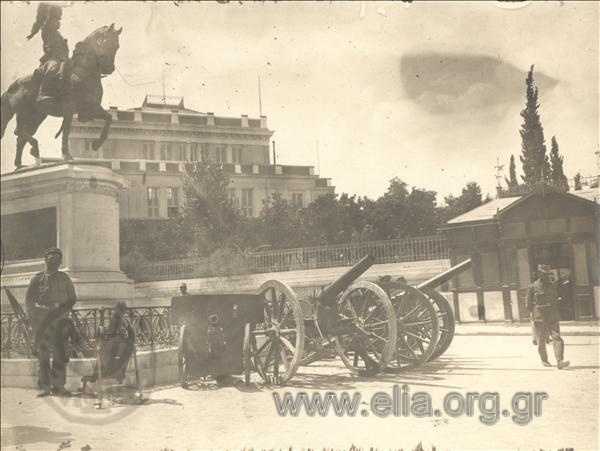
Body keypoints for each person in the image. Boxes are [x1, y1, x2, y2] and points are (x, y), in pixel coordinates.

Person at [26, 247, 77, 396]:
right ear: (45, 260)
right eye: (50, 258)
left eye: (56, 259)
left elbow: (72, 299)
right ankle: (45, 387)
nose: (53, 261)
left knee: (60, 354)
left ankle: (59, 386)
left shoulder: (65, 278)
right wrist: (33, 321)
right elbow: (29, 302)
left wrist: (62, 309)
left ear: (60, 262)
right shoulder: (37, 278)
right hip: (42, 323)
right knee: (43, 355)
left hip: (60, 321)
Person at [26, 2, 70, 111]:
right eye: (57, 19)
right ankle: (42, 94)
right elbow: (43, 20)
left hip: (62, 56)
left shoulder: (57, 33)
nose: (59, 21)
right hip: (52, 56)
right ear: (51, 18)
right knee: (53, 67)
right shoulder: (46, 27)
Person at [527, 264, 569, 369]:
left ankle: (560, 361)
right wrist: (534, 313)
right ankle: (544, 360)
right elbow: (528, 304)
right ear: (539, 274)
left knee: (557, 337)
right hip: (539, 315)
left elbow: (556, 299)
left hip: (552, 315)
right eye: (544, 274)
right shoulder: (532, 287)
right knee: (541, 340)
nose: (546, 276)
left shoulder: (552, 286)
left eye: (547, 274)